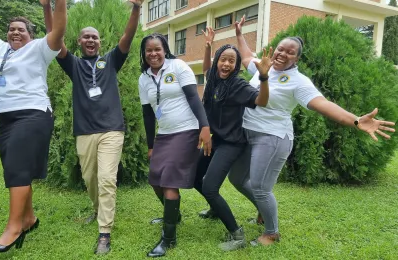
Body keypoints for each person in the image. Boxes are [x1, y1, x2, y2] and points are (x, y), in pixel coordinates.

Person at [228, 16, 396, 246]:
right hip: (247, 133)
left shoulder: (298, 81)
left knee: (260, 186)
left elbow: (324, 104)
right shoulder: (262, 67)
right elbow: (247, 56)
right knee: (237, 178)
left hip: (273, 138)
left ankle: (271, 232)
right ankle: (262, 209)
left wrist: (356, 120)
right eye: (280, 49)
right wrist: (239, 34)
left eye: (289, 52)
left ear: (296, 58)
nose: (282, 54)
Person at [0, 0, 66, 253]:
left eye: (21, 29)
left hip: (33, 115)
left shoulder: (40, 49)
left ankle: (14, 228)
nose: (15, 32)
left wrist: (58, 2)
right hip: (6, 120)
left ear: (31, 36)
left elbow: (59, 31)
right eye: (11, 29)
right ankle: (29, 218)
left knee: (17, 168)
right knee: (17, 169)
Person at [42, 0, 143, 255]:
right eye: (86, 37)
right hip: (84, 132)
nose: (90, 40)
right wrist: (46, 8)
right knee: (90, 179)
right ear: (79, 41)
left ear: (99, 42)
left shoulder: (110, 61)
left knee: (107, 178)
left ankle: (104, 232)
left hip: (111, 130)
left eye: (95, 37)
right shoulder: (73, 64)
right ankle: (97, 211)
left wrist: (136, 8)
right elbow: (54, 39)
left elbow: (127, 37)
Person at [195, 27, 272, 251]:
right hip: (215, 139)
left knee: (210, 187)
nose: (226, 64)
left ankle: (237, 235)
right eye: (223, 59)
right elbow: (207, 68)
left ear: (236, 65)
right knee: (195, 177)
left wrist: (264, 76)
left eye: (231, 61)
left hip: (232, 142)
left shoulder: (238, 85)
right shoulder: (213, 78)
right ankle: (215, 208)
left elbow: (262, 101)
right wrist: (208, 47)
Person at [138, 33, 211, 257]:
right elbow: (148, 114)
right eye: (148, 50)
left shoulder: (178, 66)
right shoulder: (144, 78)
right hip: (164, 134)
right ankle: (174, 215)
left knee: (169, 183)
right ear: (144, 53)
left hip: (186, 131)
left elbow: (193, 98)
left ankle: (168, 239)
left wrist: (204, 127)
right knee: (155, 180)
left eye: (157, 49)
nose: (153, 54)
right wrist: (151, 145)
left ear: (165, 49)